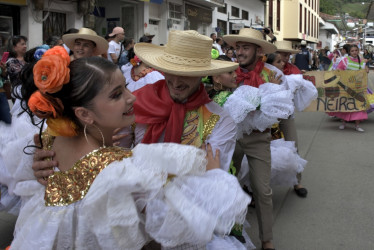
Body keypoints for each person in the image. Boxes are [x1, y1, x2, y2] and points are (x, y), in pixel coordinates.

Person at [1, 46, 250, 249]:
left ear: (202, 74)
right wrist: (215, 181)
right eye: (169, 70)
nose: (131, 98)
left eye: (186, 72)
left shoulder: (219, 118)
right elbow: (180, 222)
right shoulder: (131, 119)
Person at [223, 28, 279, 250]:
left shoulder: (270, 75)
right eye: (238, 47)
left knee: (262, 189)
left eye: (245, 48)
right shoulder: (228, 71)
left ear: (258, 51)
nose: (240, 52)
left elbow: (276, 111)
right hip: (230, 136)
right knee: (228, 185)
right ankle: (229, 231)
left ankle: (267, 239)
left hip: (258, 138)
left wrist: (270, 96)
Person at [329, 44, 368, 132]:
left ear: (358, 51)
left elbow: (365, 71)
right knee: (346, 105)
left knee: (359, 106)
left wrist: (366, 69)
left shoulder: (362, 61)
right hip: (346, 87)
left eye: (356, 50)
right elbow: (339, 71)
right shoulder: (345, 60)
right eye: (352, 51)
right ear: (349, 52)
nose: (354, 52)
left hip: (358, 87)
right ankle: (343, 123)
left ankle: (357, 126)